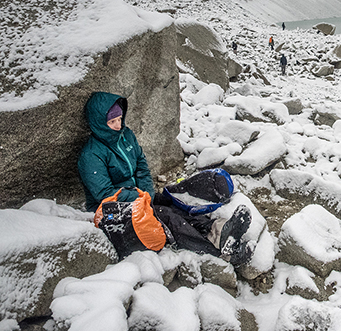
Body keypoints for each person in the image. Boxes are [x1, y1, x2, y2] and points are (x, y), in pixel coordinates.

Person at [78, 92, 253, 264]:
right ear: (99, 123)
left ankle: (220, 230)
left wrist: (146, 192)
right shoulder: (91, 155)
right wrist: (140, 198)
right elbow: (105, 194)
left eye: (119, 119)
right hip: (114, 211)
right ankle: (221, 252)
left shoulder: (126, 136)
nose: (118, 125)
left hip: (138, 197)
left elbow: (141, 164)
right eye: (112, 122)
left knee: (175, 203)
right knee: (166, 216)